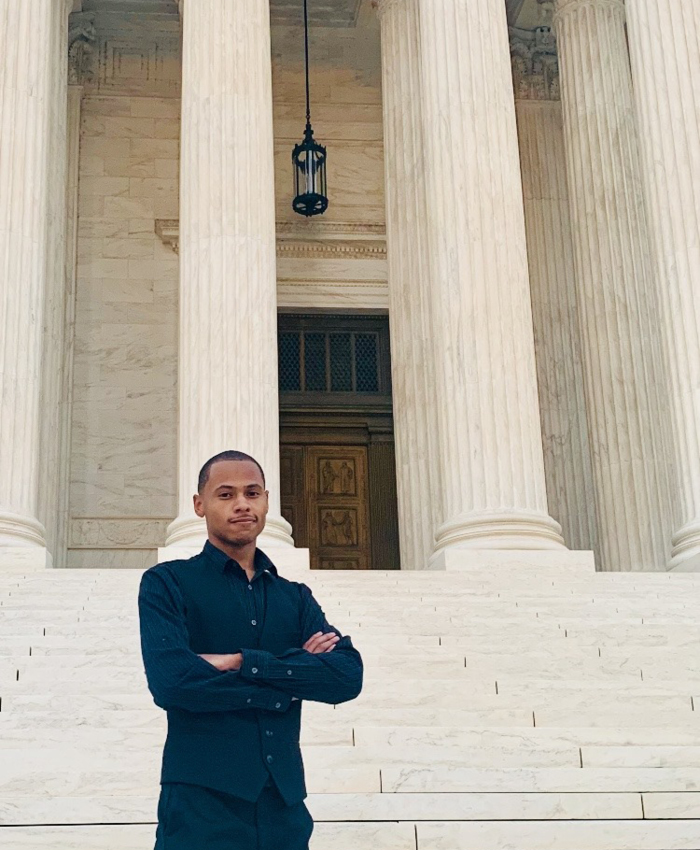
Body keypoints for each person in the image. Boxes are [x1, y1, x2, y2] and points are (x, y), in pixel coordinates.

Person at [138, 449, 364, 849]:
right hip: (200, 806)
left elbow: (347, 677)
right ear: (199, 505)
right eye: (225, 495)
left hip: (285, 806)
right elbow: (172, 683)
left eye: (252, 493)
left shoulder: (295, 598)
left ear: (266, 502)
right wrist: (294, 677)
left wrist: (241, 663)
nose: (242, 504)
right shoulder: (167, 583)